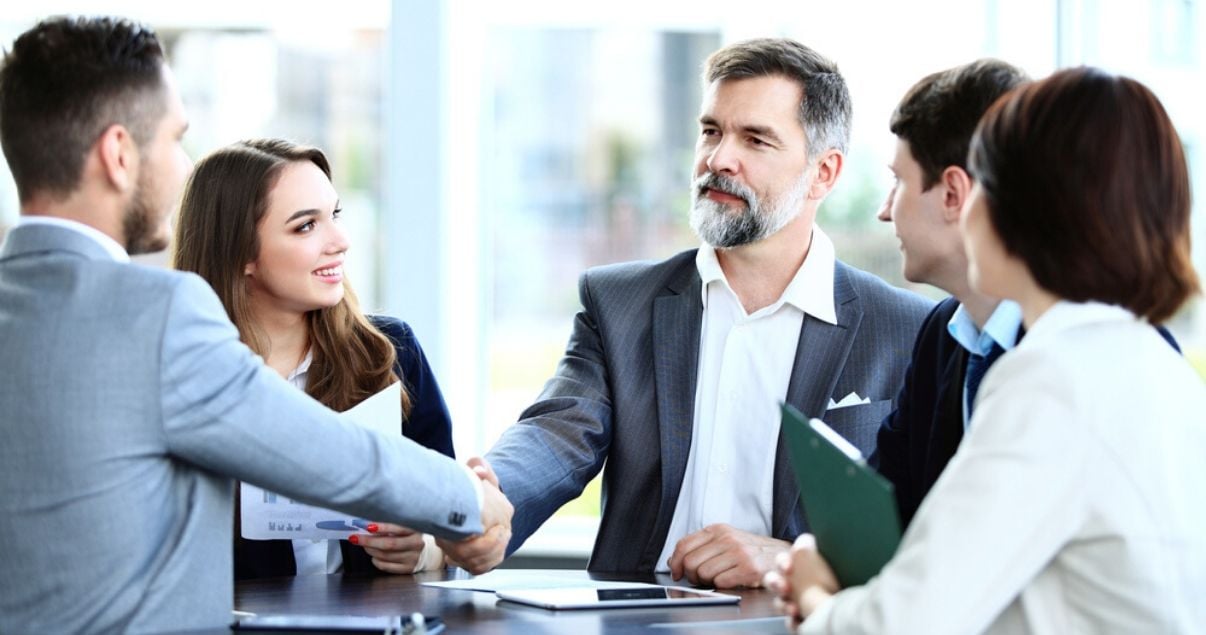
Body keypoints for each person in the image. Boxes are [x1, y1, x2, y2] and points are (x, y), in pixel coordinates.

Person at [0, 16, 510, 634]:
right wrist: (469, 498)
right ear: (118, 154)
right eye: (173, 139)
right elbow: (331, 456)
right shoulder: (158, 313)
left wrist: (426, 547)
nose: (182, 165)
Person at [479, 37, 932, 588]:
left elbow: (924, 533)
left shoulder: (908, 332)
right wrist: (477, 499)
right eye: (711, 131)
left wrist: (789, 559)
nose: (718, 159)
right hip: (636, 626)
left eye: (756, 139)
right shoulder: (619, 303)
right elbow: (556, 437)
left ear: (824, 173)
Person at [768, 67, 1206, 633]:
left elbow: (906, 623)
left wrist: (814, 600)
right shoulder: (1145, 363)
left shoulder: (1055, 377)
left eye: (985, 189)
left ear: (1019, 211)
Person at [174, 139, 455, 578]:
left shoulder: (390, 354)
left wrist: (425, 553)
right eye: (306, 226)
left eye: (334, 216)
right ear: (241, 253)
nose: (340, 242)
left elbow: (448, 521)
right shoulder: (181, 381)